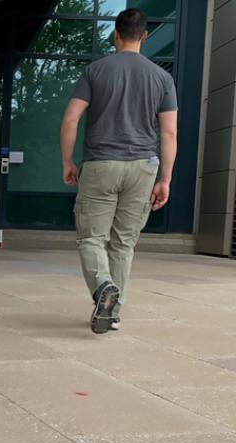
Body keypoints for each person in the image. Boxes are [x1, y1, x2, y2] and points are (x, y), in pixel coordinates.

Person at [60, 8, 178, 334]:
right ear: (145, 36)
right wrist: (165, 179)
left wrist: (68, 162)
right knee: (123, 244)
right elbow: (169, 133)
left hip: (101, 165)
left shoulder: (95, 71)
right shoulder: (162, 78)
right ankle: (112, 315)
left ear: (116, 34)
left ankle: (103, 289)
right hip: (142, 168)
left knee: (91, 238)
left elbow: (71, 119)